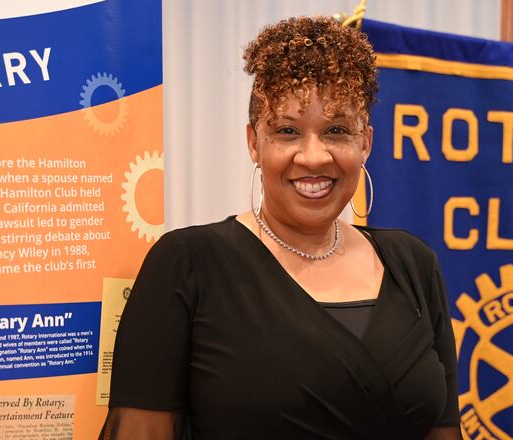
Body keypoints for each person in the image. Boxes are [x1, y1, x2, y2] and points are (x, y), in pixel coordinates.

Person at [100, 16, 461, 440]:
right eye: (287, 131)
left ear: (366, 143)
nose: (313, 156)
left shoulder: (413, 265)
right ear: (254, 142)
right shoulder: (188, 266)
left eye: (337, 131)